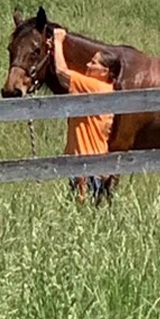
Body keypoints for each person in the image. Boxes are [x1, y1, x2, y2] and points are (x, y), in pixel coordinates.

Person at [50, 26, 116, 202]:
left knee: (84, 207)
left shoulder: (96, 88)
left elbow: (62, 73)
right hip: (90, 164)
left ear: (105, 72)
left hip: (87, 164)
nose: (88, 65)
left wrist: (58, 41)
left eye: (94, 63)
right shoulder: (104, 89)